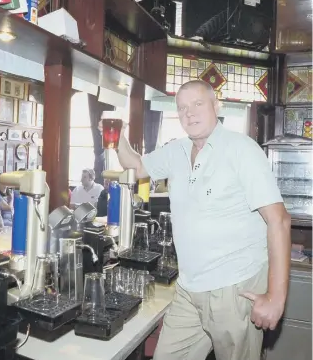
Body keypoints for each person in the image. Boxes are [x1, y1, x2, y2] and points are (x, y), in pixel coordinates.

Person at [105, 80, 291, 360]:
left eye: (198, 104)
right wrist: (116, 136)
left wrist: (276, 298)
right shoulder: (177, 150)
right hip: (189, 288)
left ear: (217, 107)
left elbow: (279, 221)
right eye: (181, 108)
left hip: (234, 289)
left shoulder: (242, 150)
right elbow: (136, 165)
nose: (188, 113)